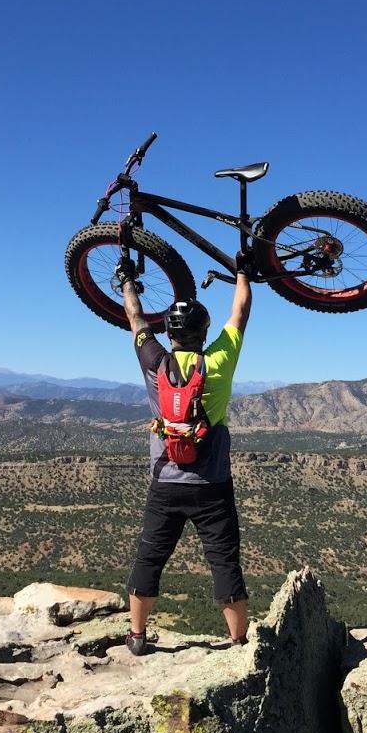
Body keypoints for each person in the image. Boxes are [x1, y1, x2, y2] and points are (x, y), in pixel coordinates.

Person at [118, 259, 252, 656]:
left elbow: (136, 318)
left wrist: (128, 281)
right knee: (224, 561)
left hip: (166, 486)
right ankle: (239, 643)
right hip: (212, 486)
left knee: (150, 557)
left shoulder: (155, 362)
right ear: (204, 333)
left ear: (170, 332)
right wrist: (242, 272)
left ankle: (138, 637)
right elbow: (240, 311)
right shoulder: (217, 363)